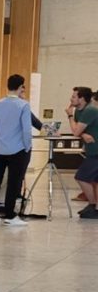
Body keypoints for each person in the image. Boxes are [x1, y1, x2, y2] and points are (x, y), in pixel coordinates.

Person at [0, 75, 33, 226]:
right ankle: (10, 216)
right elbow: (26, 130)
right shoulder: (23, 106)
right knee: (13, 182)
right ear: (20, 87)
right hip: (17, 150)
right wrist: (27, 146)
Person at [65, 86, 98, 219]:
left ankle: (92, 204)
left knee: (81, 177)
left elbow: (75, 131)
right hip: (92, 150)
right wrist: (83, 134)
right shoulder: (79, 111)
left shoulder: (90, 110)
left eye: (74, 96)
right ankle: (94, 207)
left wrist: (69, 115)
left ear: (82, 99)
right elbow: (79, 131)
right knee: (94, 180)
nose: (71, 99)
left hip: (96, 152)